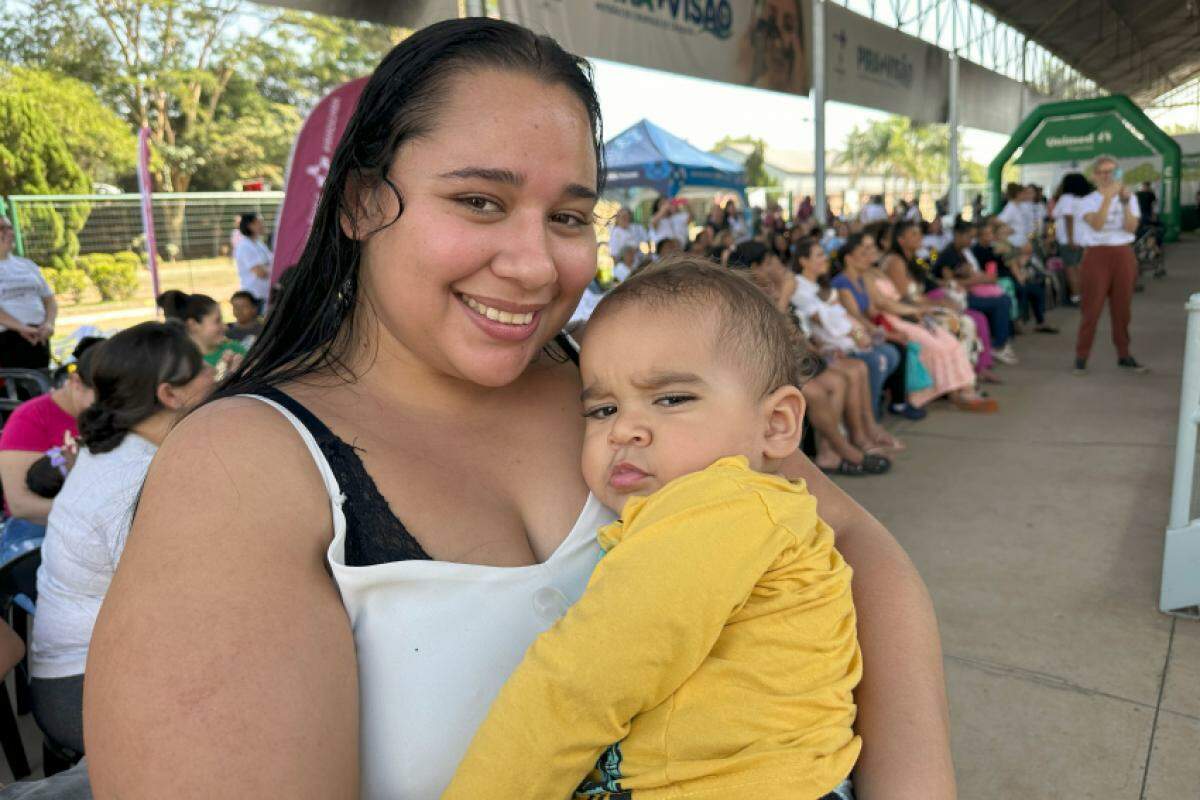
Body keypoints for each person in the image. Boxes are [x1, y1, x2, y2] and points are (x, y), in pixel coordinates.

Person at [84, 18, 955, 800]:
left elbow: (853, 545)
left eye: (569, 217)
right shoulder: (245, 469)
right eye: (479, 201)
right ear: (359, 202)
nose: (536, 265)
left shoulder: (630, 384)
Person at [446, 260, 859, 800]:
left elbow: (579, 685)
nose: (625, 429)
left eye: (672, 399)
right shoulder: (749, 516)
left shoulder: (721, 507)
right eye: (602, 409)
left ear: (777, 424)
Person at [29, 322, 213, 755]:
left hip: (92, 667)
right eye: (202, 367)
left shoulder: (122, 449)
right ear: (170, 395)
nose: (213, 374)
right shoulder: (135, 479)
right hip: (84, 688)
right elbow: (184, 609)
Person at [834, 232, 996, 413]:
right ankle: (888, 408)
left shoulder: (862, 278)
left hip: (867, 329)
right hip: (854, 334)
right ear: (849, 259)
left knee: (943, 340)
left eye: (870, 249)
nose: (870, 254)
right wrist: (881, 333)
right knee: (887, 354)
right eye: (864, 252)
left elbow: (872, 309)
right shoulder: (843, 283)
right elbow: (855, 317)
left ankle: (960, 388)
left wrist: (886, 325)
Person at [0, 338, 101, 524]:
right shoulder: (30, 417)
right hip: (40, 526)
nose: (109, 409)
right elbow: (20, 505)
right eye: (100, 401)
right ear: (75, 382)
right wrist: (96, 510)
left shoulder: (108, 411)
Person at [1074, 156, 1146, 374]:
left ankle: (1124, 354)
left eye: (1112, 172)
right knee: (1092, 308)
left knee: (1122, 308)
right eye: (1103, 172)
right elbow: (1096, 225)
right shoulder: (1086, 201)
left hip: (1123, 252)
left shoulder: (1129, 198)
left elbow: (1131, 228)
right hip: (1097, 254)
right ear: (1095, 175)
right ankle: (1081, 356)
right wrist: (1107, 198)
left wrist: (1123, 203)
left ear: (1118, 174)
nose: (1107, 176)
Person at [0, 216, 56, 370]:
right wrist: (21, 328)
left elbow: (49, 299)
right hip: (7, 339)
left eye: (9, 227)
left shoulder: (27, 265)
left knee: (41, 385)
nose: (8, 232)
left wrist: (48, 324)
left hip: (38, 335)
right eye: (1, 229)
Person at [156, 290, 246, 373]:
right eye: (217, 321)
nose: (225, 327)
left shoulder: (235, 349)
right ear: (193, 325)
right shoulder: (182, 366)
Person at [1052, 172, 1091, 306]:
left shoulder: (1066, 198)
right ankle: (1083, 295)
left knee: (1070, 268)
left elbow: (1069, 218)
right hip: (1082, 238)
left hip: (1069, 239)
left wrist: (1070, 239)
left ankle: (1076, 297)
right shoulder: (1083, 198)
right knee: (1079, 268)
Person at [233, 212, 272, 310]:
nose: (263, 225)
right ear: (250, 226)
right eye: (259, 222)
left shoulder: (258, 243)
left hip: (263, 296)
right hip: (255, 298)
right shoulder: (245, 246)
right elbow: (260, 272)